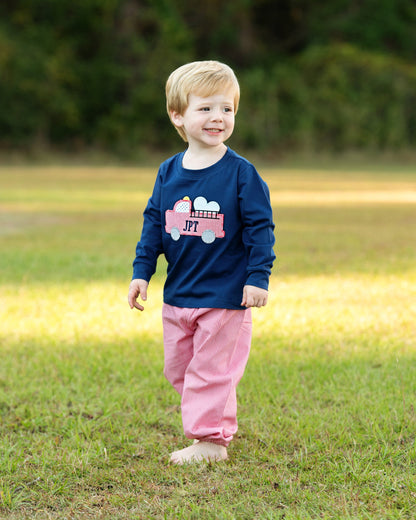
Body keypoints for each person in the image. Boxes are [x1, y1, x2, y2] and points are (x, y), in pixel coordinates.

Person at [128, 60, 275, 465]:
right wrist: (142, 273)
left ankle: (211, 441)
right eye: (206, 108)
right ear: (178, 115)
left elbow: (260, 228)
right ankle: (213, 421)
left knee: (210, 371)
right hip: (179, 295)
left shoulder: (243, 175)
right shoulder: (169, 172)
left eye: (227, 109)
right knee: (181, 370)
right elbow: (154, 222)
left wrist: (257, 277)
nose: (218, 118)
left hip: (226, 296)